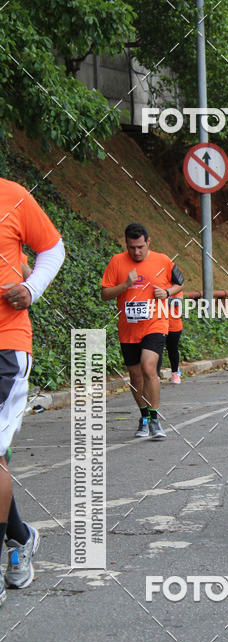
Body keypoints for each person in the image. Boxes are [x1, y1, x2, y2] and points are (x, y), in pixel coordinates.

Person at [0, 178, 66, 603]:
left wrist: (30, 288)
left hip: (5, 343)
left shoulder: (12, 195)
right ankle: (20, 538)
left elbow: (53, 249)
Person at [101, 223, 183, 440]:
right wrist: (125, 285)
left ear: (148, 242)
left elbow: (179, 283)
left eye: (140, 247)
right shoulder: (117, 262)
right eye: (131, 247)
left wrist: (167, 292)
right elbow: (105, 294)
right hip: (129, 329)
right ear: (126, 244)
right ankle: (144, 416)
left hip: (155, 324)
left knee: (148, 367)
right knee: (136, 376)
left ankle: (155, 419)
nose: (136, 252)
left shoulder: (163, 260)